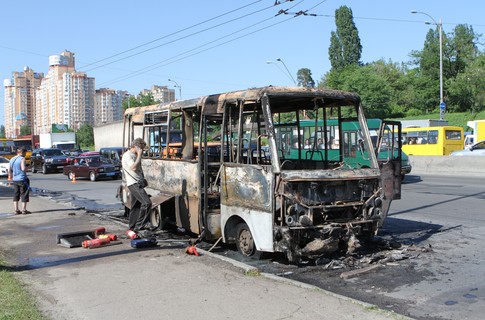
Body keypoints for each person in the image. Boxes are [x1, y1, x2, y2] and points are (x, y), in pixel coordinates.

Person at [121, 138, 155, 233]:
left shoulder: (134, 155)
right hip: (133, 183)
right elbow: (134, 167)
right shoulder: (127, 156)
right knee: (147, 202)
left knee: (136, 206)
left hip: (137, 182)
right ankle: (141, 225)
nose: (142, 151)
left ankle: (132, 228)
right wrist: (139, 155)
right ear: (136, 147)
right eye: (141, 149)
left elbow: (138, 169)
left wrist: (143, 179)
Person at [8, 147, 31, 215]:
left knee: (16, 194)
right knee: (24, 194)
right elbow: (23, 169)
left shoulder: (12, 159)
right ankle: (24, 210)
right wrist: (29, 167)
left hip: (15, 179)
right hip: (22, 179)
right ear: (21, 152)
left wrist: (11, 176)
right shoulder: (22, 159)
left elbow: (9, 170)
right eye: (25, 153)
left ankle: (16, 210)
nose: (25, 154)